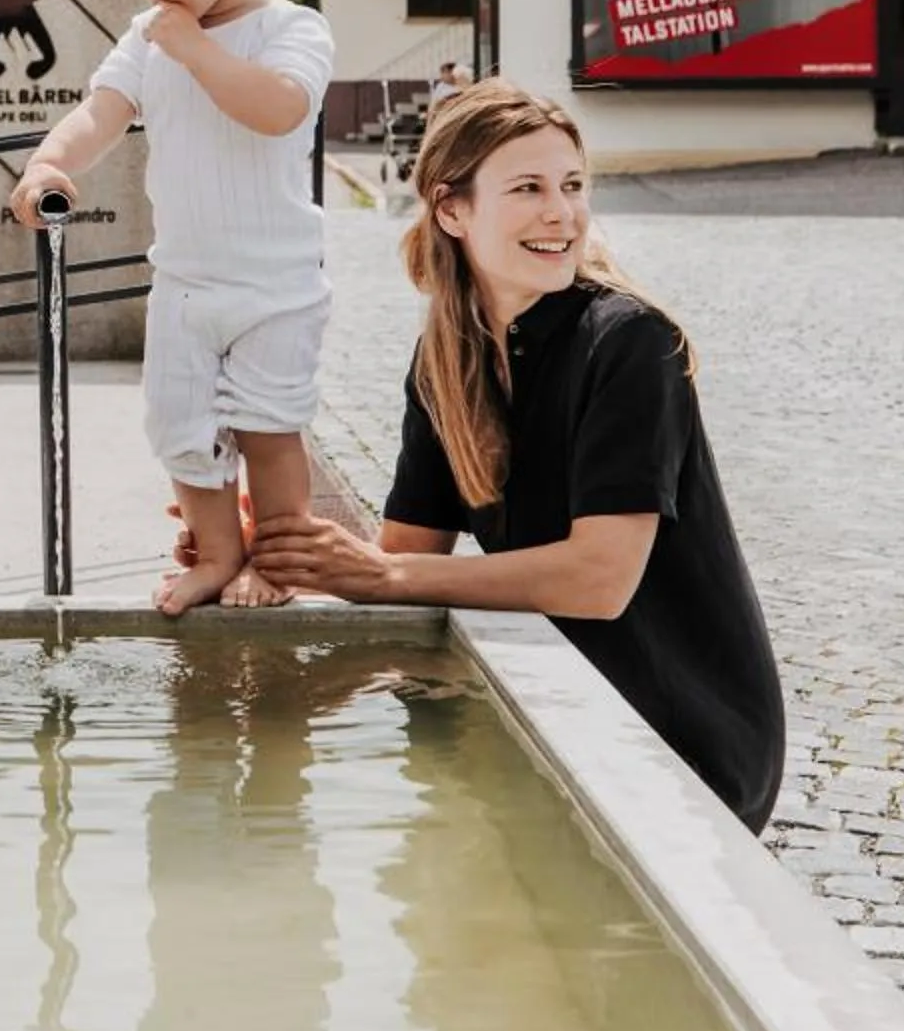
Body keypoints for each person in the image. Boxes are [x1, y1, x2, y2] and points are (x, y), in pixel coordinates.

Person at [244, 79, 787, 834]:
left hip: (681, 737)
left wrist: (385, 573)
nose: (560, 213)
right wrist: (279, 549)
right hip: (559, 700)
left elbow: (600, 580)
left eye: (571, 185)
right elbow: (402, 558)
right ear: (451, 209)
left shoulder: (630, 343)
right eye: (528, 188)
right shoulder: (445, 363)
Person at [7, 0, 334, 617]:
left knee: (269, 428)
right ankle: (218, 555)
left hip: (275, 284)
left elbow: (276, 109)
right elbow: (103, 109)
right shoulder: (149, 34)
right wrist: (50, 160)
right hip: (183, 281)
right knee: (178, 426)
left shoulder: (293, 29)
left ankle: (281, 558)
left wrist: (193, 47)